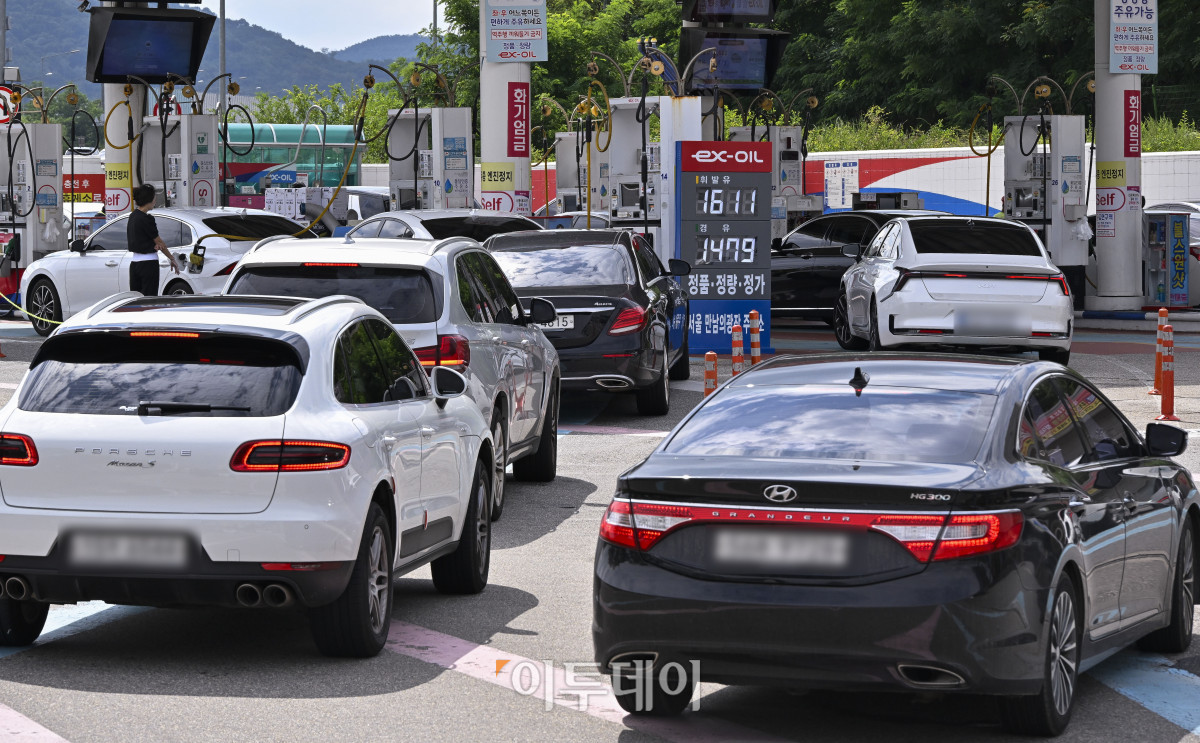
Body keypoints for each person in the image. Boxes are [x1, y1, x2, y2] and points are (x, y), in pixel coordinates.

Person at [127, 184, 180, 295]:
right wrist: (171, 258)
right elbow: (159, 241)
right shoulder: (147, 219)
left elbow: (140, 238)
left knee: (136, 298)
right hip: (148, 264)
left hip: (134, 264)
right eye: (154, 198)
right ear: (149, 200)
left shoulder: (133, 216)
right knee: (149, 298)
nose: (155, 201)